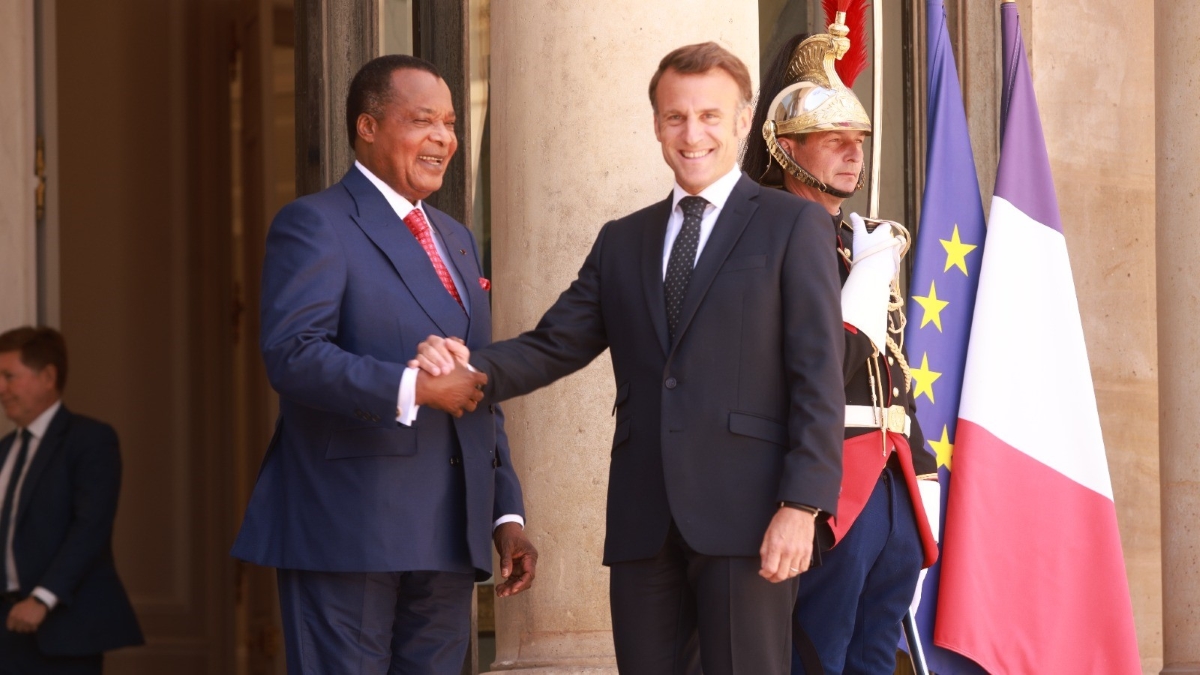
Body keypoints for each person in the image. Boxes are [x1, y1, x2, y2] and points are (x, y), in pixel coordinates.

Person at [414, 42, 845, 675]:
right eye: (676, 117)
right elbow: (554, 343)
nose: (692, 134)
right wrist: (469, 372)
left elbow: (818, 378)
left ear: (742, 121)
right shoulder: (623, 240)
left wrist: (802, 505)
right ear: (657, 125)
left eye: (709, 116)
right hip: (644, 522)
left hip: (751, 518)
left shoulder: (792, 226)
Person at [229, 55, 537, 675]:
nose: (444, 138)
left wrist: (505, 512)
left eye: (450, 123)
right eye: (423, 121)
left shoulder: (456, 238)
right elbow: (293, 354)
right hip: (350, 526)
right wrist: (413, 387)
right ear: (367, 127)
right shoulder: (315, 223)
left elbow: (477, 386)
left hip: (449, 531)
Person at [742, 18, 941, 675]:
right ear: (786, 147)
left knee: (875, 655)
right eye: (834, 141)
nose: (854, 155)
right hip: (827, 478)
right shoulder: (766, 236)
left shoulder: (856, 242)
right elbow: (824, 366)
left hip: (889, 477)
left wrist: (922, 472)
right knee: (816, 654)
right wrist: (869, 278)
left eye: (858, 141)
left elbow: (891, 369)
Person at [0, 326, 143, 674]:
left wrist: (42, 597)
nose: (1, 388)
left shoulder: (90, 440)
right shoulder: (4, 449)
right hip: (6, 631)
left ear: (48, 377)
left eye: (9, 376)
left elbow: (91, 527)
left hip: (63, 630)